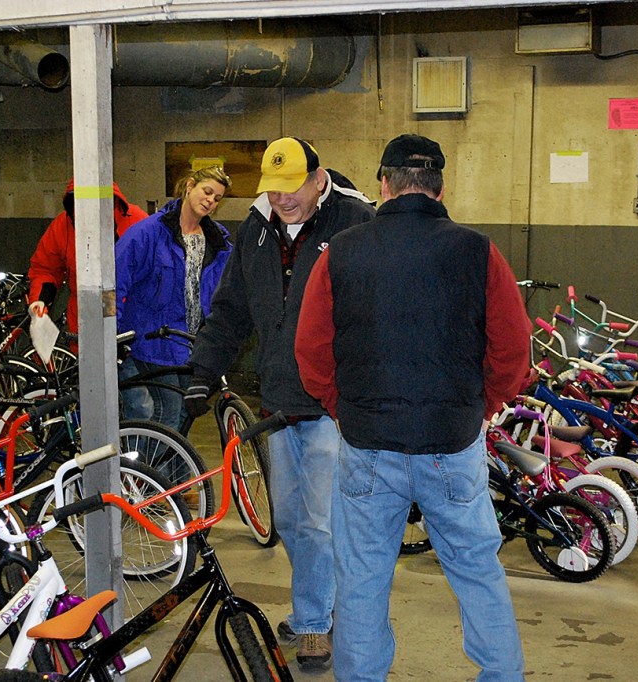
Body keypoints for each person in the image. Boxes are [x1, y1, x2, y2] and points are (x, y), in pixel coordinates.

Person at [294, 134, 531, 681]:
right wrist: (479, 405)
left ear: (384, 184)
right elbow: (513, 348)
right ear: (441, 188)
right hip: (451, 443)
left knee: (360, 578)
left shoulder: (342, 252)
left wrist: (344, 408)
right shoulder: (478, 251)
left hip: (368, 445)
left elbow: (311, 350)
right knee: (476, 570)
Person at [184, 137, 375, 673]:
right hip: (278, 400)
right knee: (291, 519)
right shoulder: (256, 230)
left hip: (333, 403)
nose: (283, 199)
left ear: (319, 180)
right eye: (273, 189)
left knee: (318, 520)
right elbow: (231, 308)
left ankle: (316, 622)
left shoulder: (354, 223)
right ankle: (323, 605)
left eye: (292, 188)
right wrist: (202, 372)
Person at [115, 166, 233, 428]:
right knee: (166, 412)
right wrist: (113, 336)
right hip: (153, 343)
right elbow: (116, 281)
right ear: (190, 185)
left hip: (191, 345)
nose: (211, 201)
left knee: (183, 416)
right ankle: (145, 470)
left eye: (217, 198)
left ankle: (171, 470)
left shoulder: (218, 243)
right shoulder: (147, 233)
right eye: (207, 191)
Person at [27, 179, 147, 335]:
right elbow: (45, 269)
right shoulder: (63, 226)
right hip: (83, 315)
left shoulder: (137, 222)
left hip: (131, 315)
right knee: (86, 357)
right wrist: (40, 300)